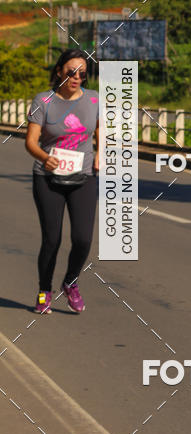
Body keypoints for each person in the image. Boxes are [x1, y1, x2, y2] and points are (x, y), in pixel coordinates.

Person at [25, 49, 99, 314]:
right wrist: (45, 157)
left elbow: (100, 129)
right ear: (59, 71)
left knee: (82, 239)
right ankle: (45, 291)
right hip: (48, 178)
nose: (76, 77)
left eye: (81, 73)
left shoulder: (94, 100)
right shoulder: (43, 100)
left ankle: (71, 282)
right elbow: (31, 142)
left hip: (84, 177)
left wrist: (100, 153)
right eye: (71, 72)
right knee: (52, 240)